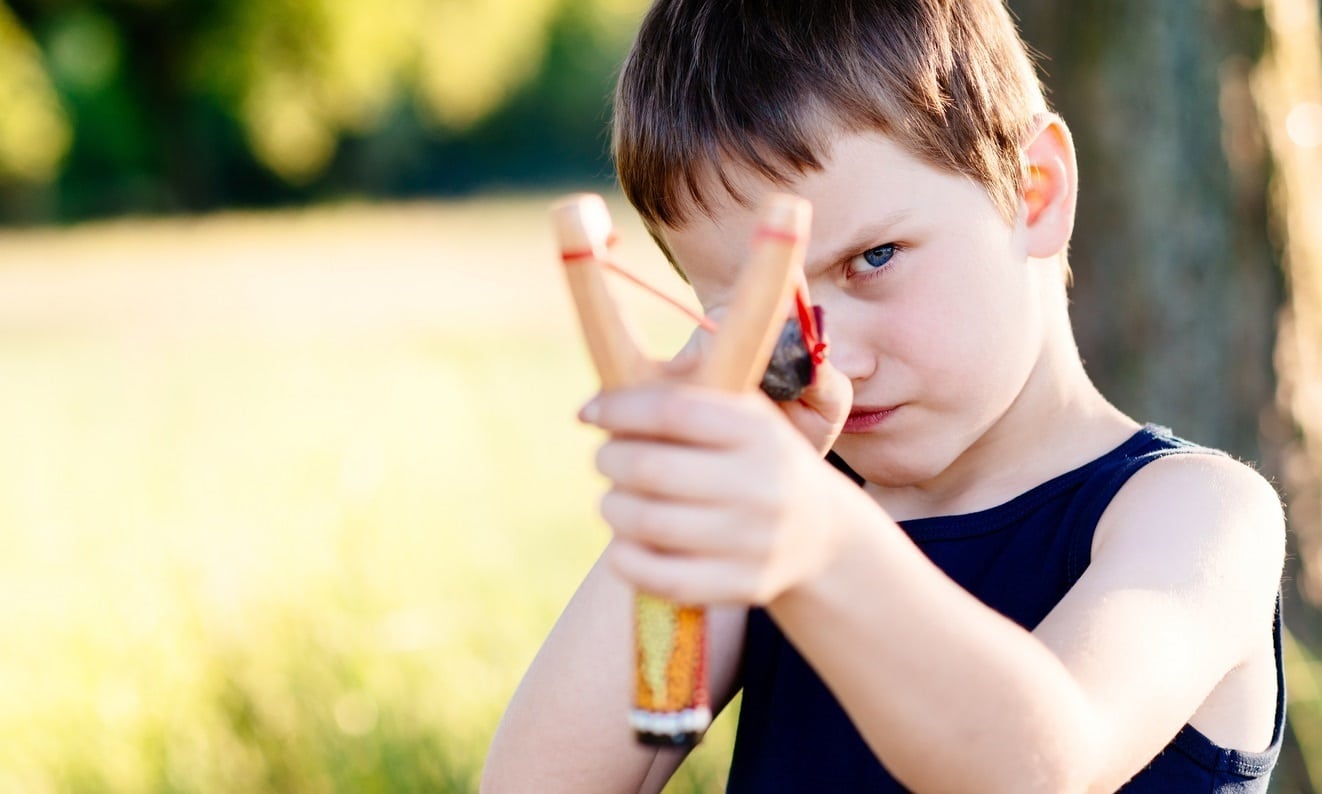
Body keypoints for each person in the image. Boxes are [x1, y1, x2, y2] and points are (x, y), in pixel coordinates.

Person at [482, 1, 1286, 791]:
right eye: (756, 313)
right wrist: (684, 491)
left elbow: (1041, 767)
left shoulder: (1200, 516)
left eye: (874, 259)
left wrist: (814, 536)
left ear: (1032, 189)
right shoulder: (779, 518)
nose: (833, 360)